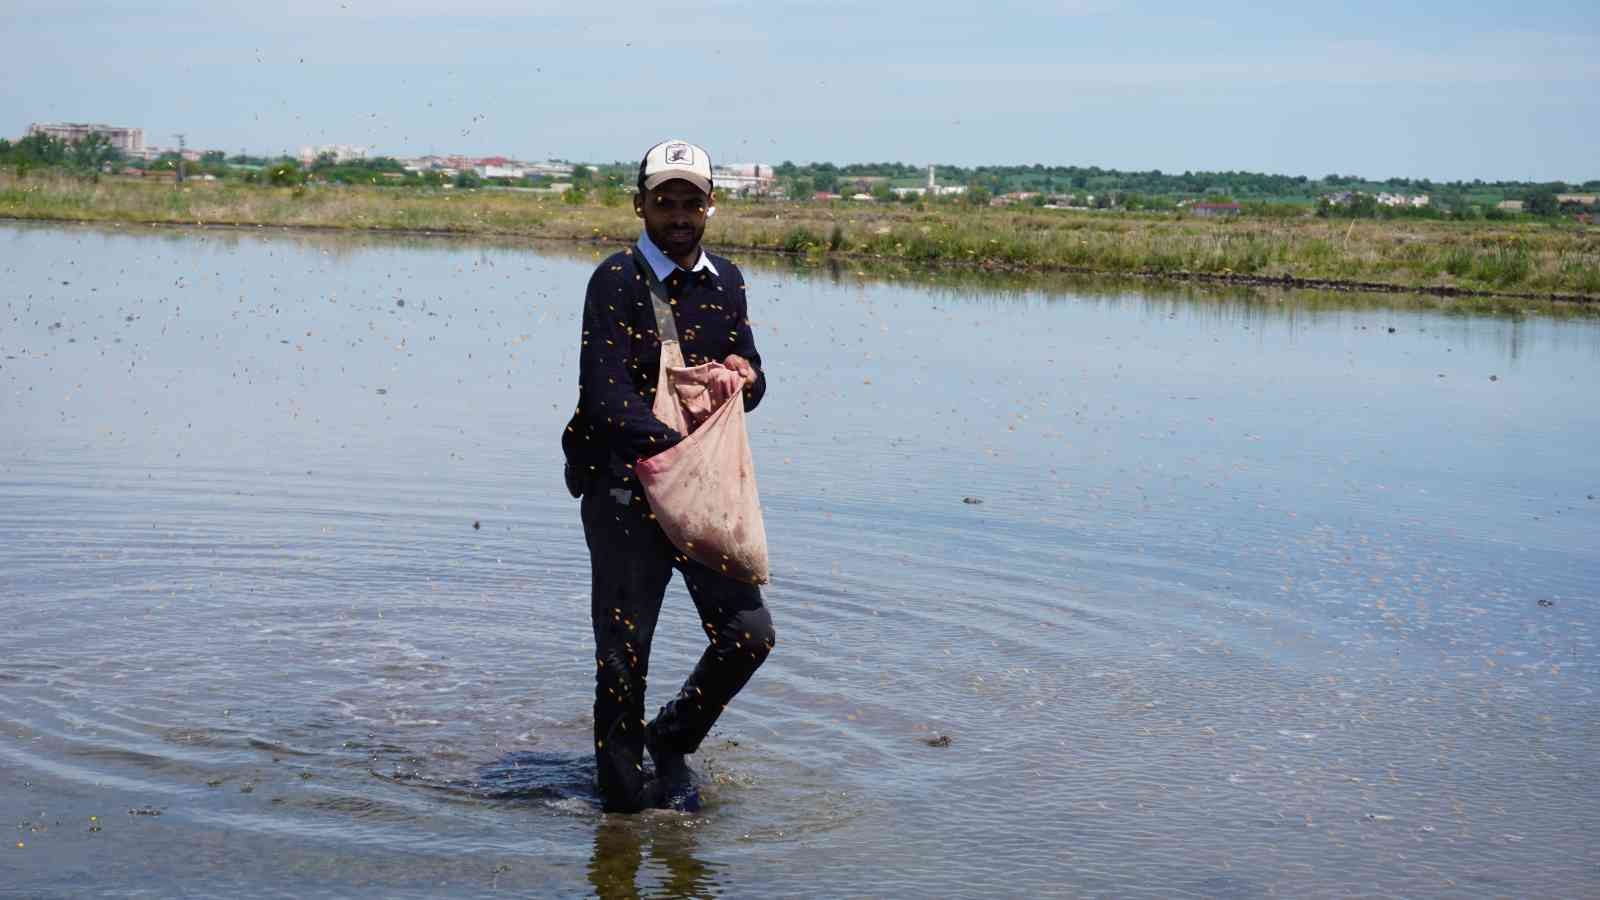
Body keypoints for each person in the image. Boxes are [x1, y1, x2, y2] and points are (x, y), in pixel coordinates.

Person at [561, 139, 776, 813]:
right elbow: (603, 398)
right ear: (641, 205)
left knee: (748, 635)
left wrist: (745, 378)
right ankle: (620, 810)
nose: (678, 215)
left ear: (710, 205)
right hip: (623, 491)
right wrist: (678, 446)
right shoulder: (616, 279)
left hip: (698, 493)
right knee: (625, 656)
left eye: (690, 202)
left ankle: (671, 738)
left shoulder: (728, 281)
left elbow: (754, 370)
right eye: (664, 202)